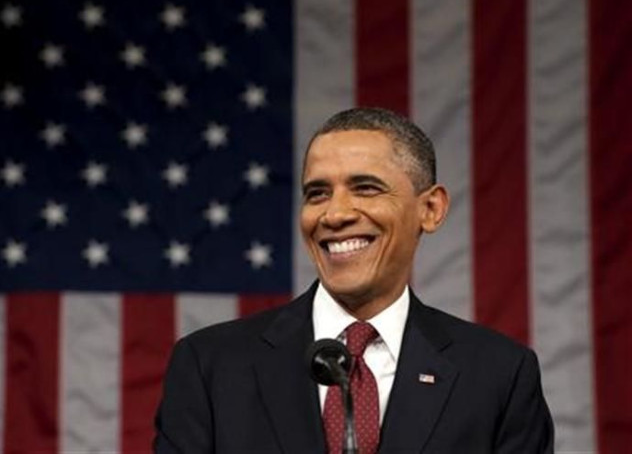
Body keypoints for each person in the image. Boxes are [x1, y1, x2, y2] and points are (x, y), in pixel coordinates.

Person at [154, 107, 554, 453]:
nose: (334, 214)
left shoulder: (498, 374)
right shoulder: (211, 366)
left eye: (365, 188)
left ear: (430, 209)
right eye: (317, 194)